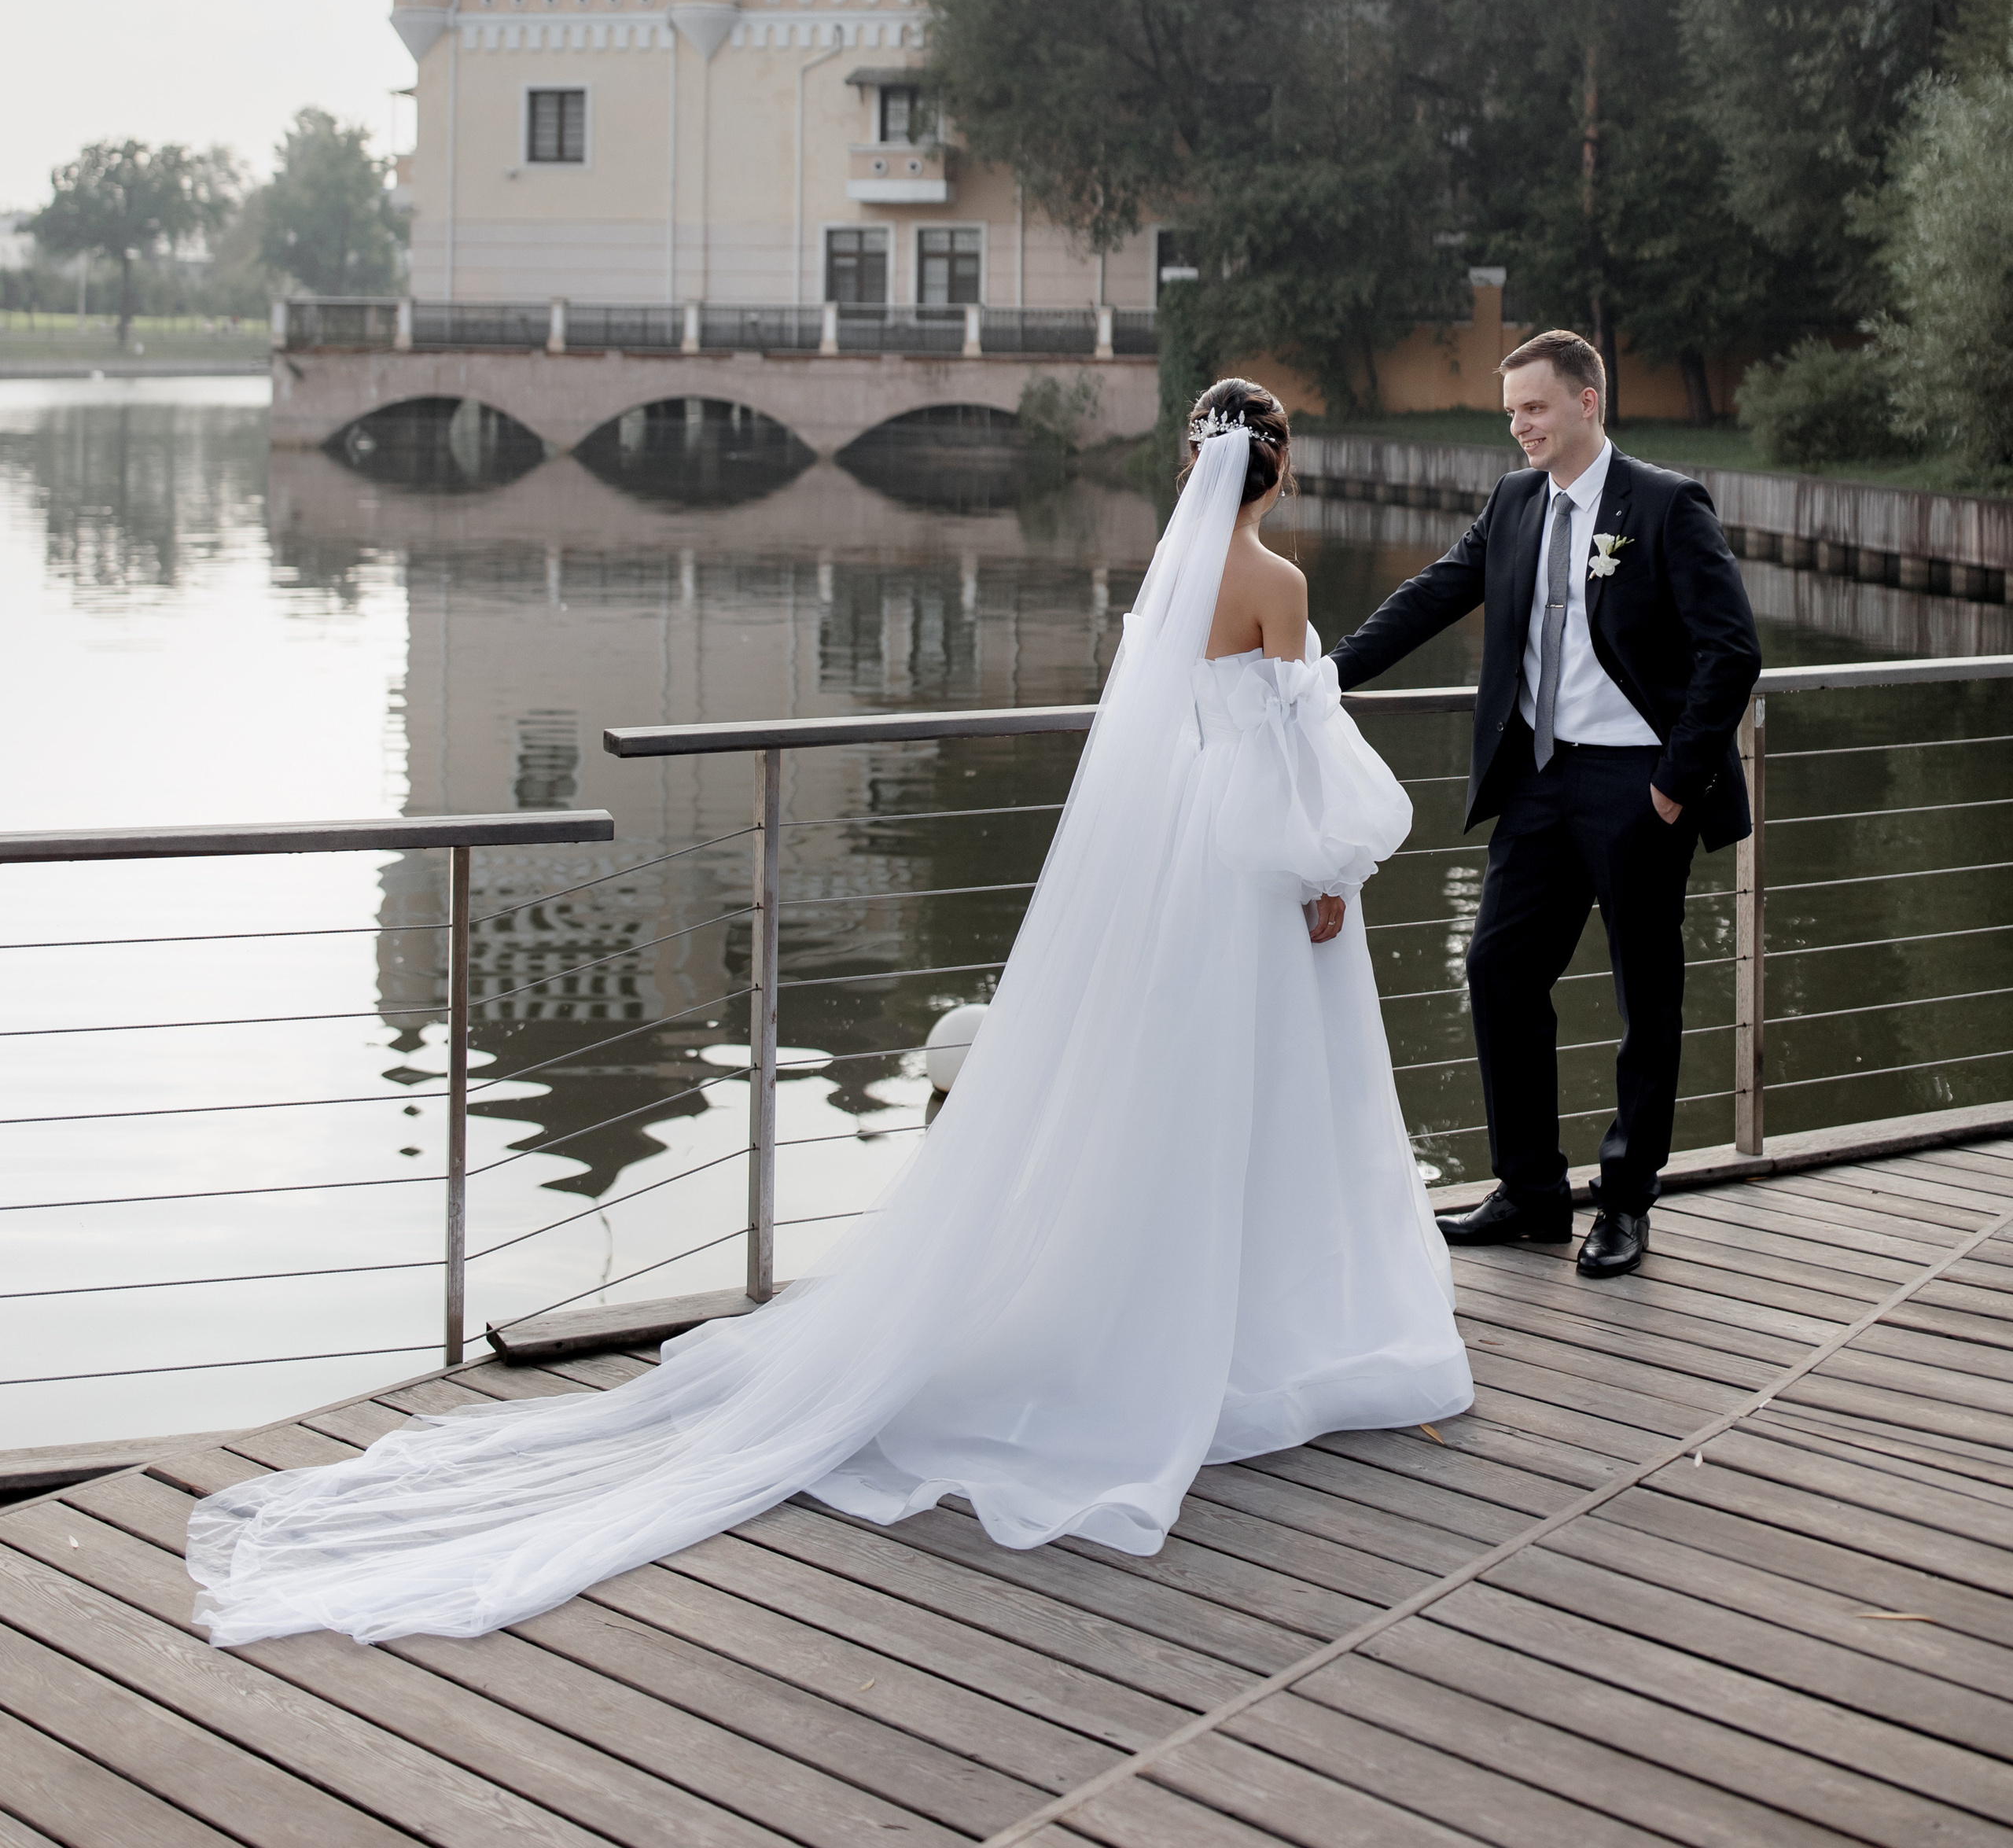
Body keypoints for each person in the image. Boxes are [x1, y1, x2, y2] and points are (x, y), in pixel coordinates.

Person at [188, 376, 1471, 1649]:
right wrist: (1327, 871)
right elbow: (1302, 752)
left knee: (1171, 1090)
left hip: (1176, 861)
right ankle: (1282, 1326)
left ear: (1195, 462)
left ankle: (1174, 1312)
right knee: (1274, 1094)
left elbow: (1177, 736)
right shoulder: (1282, 591)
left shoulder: (1167, 582)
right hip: (1253, 867)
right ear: (1279, 467)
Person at [1329, 332, 1761, 1279]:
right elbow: (1440, 589)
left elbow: (1731, 653)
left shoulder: (1662, 504)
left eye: (1532, 408)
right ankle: (1530, 1194)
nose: (1517, 425)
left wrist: (1670, 785)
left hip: (1636, 787)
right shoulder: (1513, 500)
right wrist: (1328, 672)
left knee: (1644, 999)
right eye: (1511, 410)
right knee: (1496, 971)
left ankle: (1625, 1202)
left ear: (1587, 403)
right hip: (1535, 781)